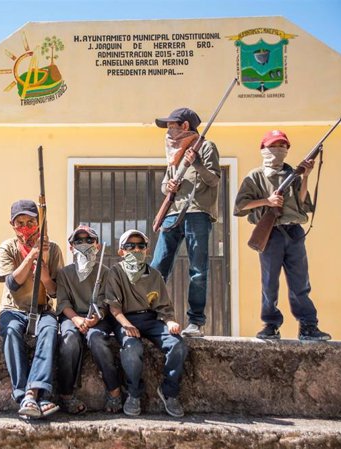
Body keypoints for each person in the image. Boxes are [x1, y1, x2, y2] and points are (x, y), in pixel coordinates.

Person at [234, 130, 331, 341]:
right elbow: (240, 206)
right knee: (269, 282)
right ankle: (270, 324)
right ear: (263, 149)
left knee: (300, 282)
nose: (278, 149)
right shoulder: (255, 176)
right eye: (273, 145)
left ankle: (308, 325)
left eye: (283, 145)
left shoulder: (293, 174)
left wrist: (305, 176)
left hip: (294, 231)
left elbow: (302, 202)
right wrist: (266, 202)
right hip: (270, 233)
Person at [150, 107, 221, 337]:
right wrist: (168, 187)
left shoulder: (207, 147)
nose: (169, 130)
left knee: (198, 270)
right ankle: (151, 314)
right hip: (173, 212)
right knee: (158, 267)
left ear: (185, 126)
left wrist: (197, 163)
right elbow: (165, 183)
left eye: (172, 125)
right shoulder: (173, 151)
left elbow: (214, 179)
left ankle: (196, 322)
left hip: (197, 212)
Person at [106, 229, 187, 418]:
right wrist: (126, 325)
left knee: (178, 345)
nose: (136, 249)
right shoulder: (115, 273)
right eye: (130, 246)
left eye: (140, 246)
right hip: (125, 319)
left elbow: (163, 307)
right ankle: (134, 393)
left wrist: (170, 322)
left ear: (147, 250)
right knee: (132, 349)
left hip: (150, 319)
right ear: (121, 251)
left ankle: (169, 391)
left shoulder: (155, 275)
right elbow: (114, 309)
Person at [0, 200, 64, 420]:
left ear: (38, 223)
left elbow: (55, 292)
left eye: (31, 223)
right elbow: (12, 283)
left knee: (50, 330)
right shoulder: (8, 247)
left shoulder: (52, 250)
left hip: (42, 309)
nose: (26, 228)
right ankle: (24, 394)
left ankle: (32, 392)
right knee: (11, 331)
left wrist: (45, 276)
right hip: (13, 308)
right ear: (12, 225)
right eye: (20, 224)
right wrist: (31, 255)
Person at [56, 225, 125, 414]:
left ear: (97, 246)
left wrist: (96, 317)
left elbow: (106, 301)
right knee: (69, 340)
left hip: (98, 318)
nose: (84, 245)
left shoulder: (105, 272)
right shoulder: (64, 274)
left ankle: (115, 392)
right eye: (78, 241)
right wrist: (77, 319)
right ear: (71, 247)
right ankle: (66, 395)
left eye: (89, 240)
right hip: (73, 316)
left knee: (96, 340)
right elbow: (62, 302)